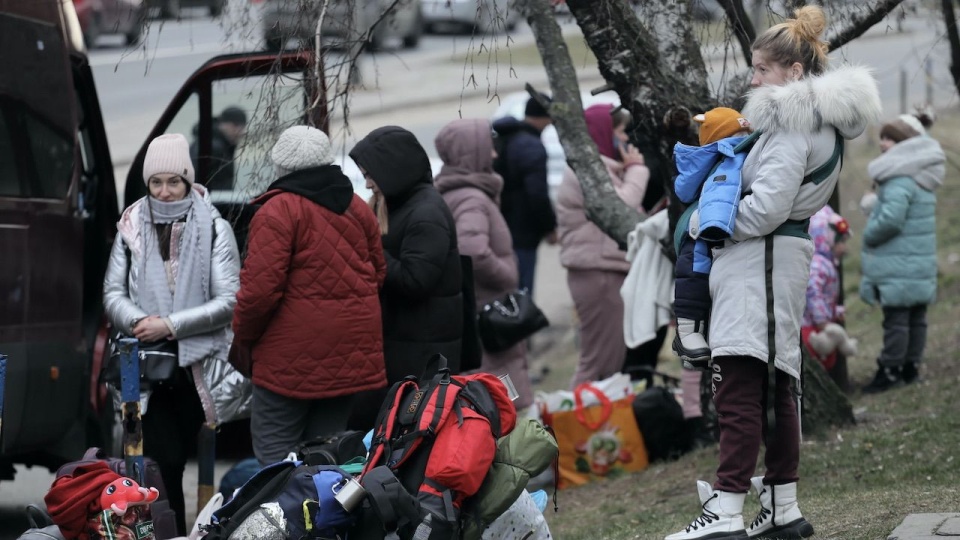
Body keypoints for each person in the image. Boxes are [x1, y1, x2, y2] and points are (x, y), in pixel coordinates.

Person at [664, 6, 881, 540]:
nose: (753, 79)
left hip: (758, 260)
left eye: (762, 70)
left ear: (795, 72)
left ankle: (726, 512)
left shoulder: (790, 120)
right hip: (773, 261)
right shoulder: (819, 121)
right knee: (780, 382)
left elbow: (765, 209)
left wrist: (706, 225)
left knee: (739, 386)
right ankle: (782, 508)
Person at [102, 133, 244, 535]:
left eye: (174, 182)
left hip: (195, 368)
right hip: (144, 367)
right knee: (159, 465)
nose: (164, 192)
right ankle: (171, 531)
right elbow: (112, 292)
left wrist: (170, 325)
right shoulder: (131, 227)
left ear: (188, 181)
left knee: (177, 462)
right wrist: (137, 322)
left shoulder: (214, 228)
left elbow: (229, 300)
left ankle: (178, 531)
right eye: (156, 183)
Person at [231, 125, 388, 466]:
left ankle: (280, 519)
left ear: (281, 167)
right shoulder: (358, 207)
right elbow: (378, 273)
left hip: (288, 361)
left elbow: (259, 294)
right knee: (327, 456)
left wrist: (243, 337)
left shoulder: (277, 211)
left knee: (276, 461)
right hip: (350, 354)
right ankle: (321, 518)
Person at [347, 126, 464, 428]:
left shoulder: (426, 212)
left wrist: (370, 250)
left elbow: (416, 280)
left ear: (393, 170)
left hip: (420, 352)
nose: (368, 183)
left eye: (371, 174)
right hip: (407, 344)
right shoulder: (404, 204)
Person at [434, 118, 534, 410]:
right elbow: (472, 250)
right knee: (507, 399)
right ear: (471, 153)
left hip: (479, 311)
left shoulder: (458, 193)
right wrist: (507, 276)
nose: (494, 155)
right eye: (488, 148)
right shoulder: (471, 198)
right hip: (490, 312)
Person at [557, 103, 649, 389]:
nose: (625, 139)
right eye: (619, 132)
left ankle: (595, 422)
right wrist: (636, 169)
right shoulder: (586, 173)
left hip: (603, 270)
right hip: (597, 273)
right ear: (601, 134)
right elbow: (620, 205)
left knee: (609, 358)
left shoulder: (599, 170)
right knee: (598, 361)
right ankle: (575, 423)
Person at [859, 111, 943, 393]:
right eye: (882, 138)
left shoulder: (899, 179)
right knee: (916, 319)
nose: (883, 144)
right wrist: (876, 204)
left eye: (891, 139)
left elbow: (892, 220)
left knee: (896, 321)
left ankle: (891, 370)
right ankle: (910, 367)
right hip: (918, 261)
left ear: (906, 144)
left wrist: (870, 232)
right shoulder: (922, 178)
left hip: (899, 263)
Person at [671, 107, 753, 368]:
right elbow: (723, 188)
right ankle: (687, 332)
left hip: (701, 225)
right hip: (707, 227)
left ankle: (694, 334)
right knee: (694, 269)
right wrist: (715, 224)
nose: (745, 136)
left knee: (697, 274)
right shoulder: (732, 154)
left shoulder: (725, 154)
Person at [492, 94, 558, 294]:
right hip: (523, 229)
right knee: (523, 285)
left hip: (502, 222)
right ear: (544, 116)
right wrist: (549, 227)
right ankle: (523, 320)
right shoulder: (530, 146)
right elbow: (537, 194)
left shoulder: (507, 138)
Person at [801, 205, 857, 371]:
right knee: (819, 362)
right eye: (841, 242)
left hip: (818, 325)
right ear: (827, 239)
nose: (844, 247)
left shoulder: (826, 264)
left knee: (826, 361)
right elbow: (813, 294)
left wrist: (835, 312)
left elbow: (825, 298)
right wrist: (823, 322)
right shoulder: (818, 265)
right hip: (810, 327)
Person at [190, 106, 247, 191]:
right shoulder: (214, 147)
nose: (240, 131)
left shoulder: (217, 143)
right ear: (223, 124)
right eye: (235, 125)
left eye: (242, 127)